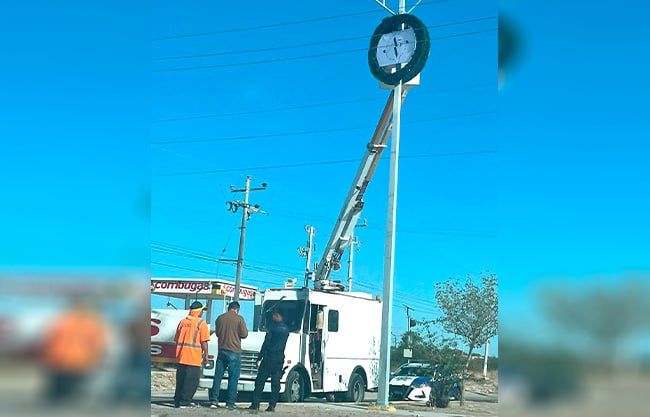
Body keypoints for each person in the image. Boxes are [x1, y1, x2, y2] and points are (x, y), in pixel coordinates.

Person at [39, 297, 109, 405]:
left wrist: (46, 353)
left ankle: (56, 399)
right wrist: (96, 356)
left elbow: (48, 338)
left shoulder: (61, 320)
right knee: (71, 383)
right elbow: (98, 342)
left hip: (59, 357)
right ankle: (64, 399)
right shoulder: (92, 323)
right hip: (79, 359)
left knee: (58, 383)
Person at [208, 301, 248, 410]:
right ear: (237, 309)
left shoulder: (220, 318)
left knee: (218, 377)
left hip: (222, 350)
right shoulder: (239, 319)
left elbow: (217, 334)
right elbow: (244, 334)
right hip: (234, 351)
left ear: (229, 308)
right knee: (233, 378)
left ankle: (214, 400)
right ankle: (230, 402)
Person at [248, 309, 290, 412]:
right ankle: (272, 405)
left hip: (268, 358)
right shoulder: (286, 329)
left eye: (273, 315)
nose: (272, 317)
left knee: (260, 381)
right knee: (275, 384)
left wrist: (259, 358)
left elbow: (266, 344)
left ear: (277, 315)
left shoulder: (273, 328)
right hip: (279, 359)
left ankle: (255, 404)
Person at [173, 300, 210, 408]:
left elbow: (176, 339)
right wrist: (206, 355)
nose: (202, 312)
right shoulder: (201, 323)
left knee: (181, 380)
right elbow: (204, 341)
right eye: (202, 310)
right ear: (198, 311)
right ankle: (185, 401)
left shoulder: (182, 322)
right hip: (193, 357)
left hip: (181, 356)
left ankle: (177, 400)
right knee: (191, 381)